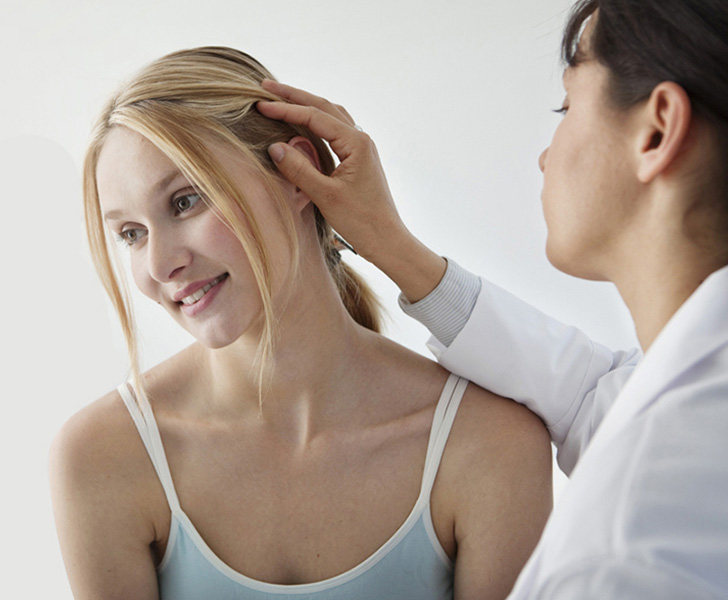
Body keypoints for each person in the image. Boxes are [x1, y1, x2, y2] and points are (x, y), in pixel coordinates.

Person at [255, 1, 728, 597]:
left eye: (567, 105)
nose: (545, 154)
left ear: (656, 130)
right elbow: (592, 393)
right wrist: (393, 246)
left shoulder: (626, 557)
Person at [49, 46, 553, 599]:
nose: (158, 264)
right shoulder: (105, 457)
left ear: (298, 173)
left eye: (186, 201)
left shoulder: (488, 446)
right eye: (131, 234)